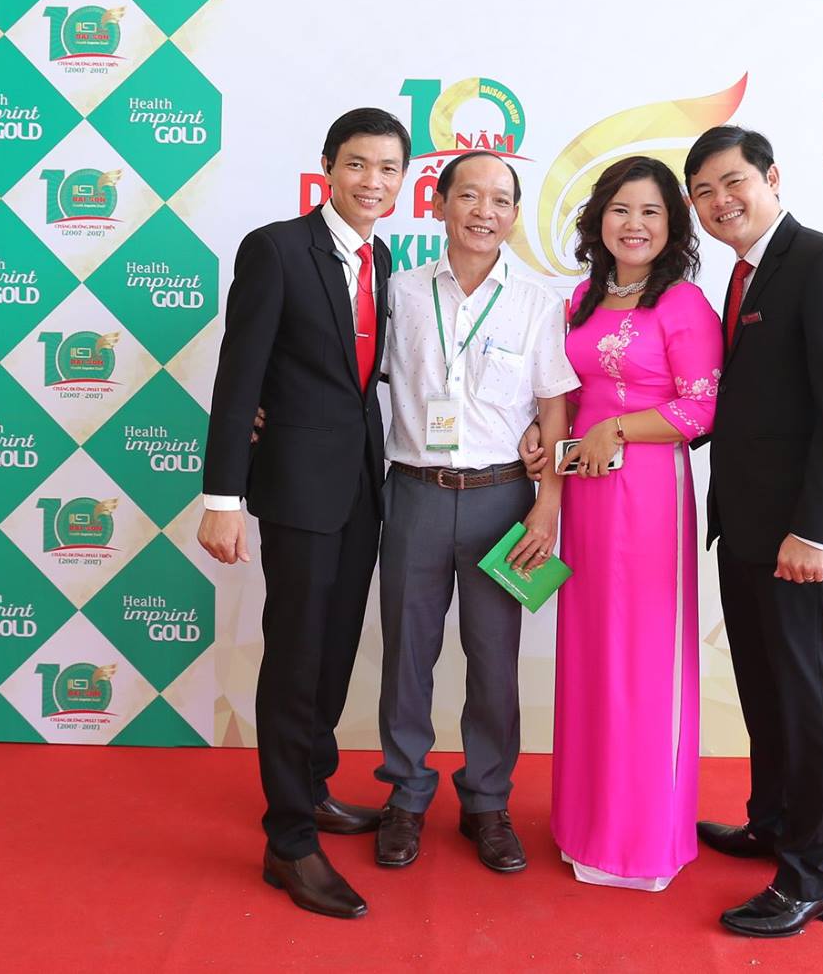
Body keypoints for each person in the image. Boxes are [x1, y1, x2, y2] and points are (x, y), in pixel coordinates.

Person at [198, 107, 411, 920]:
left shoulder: (381, 258)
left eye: (388, 169)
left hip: (361, 486)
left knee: (334, 651)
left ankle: (312, 786)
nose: (372, 181)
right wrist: (223, 498)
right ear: (327, 167)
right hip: (294, 489)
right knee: (294, 658)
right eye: (357, 164)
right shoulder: (276, 248)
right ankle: (287, 840)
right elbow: (239, 378)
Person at [684, 125, 823, 938]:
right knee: (766, 690)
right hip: (747, 528)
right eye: (703, 191)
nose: (720, 200)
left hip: (805, 536)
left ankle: (815, 873)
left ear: (772, 178)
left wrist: (813, 530)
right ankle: (772, 822)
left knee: (813, 699)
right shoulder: (741, 276)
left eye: (733, 181)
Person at [373, 151, 577, 874]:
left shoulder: (539, 301)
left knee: (494, 661)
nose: (483, 211)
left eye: (499, 200)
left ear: (514, 215)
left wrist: (547, 506)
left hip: (503, 499)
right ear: (438, 204)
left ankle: (487, 801)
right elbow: (351, 373)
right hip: (415, 494)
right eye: (468, 195)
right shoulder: (398, 291)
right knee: (407, 655)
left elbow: (555, 407)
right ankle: (405, 796)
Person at [551, 155, 722, 891]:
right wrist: (544, 437)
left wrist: (616, 429)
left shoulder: (682, 304)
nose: (635, 224)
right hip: (582, 495)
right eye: (621, 209)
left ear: (672, 225)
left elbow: (703, 406)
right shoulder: (581, 299)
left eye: (651, 211)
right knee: (590, 653)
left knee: (642, 661)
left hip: (649, 497)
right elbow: (563, 390)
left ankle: (642, 838)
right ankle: (584, 825)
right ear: (599, 219)